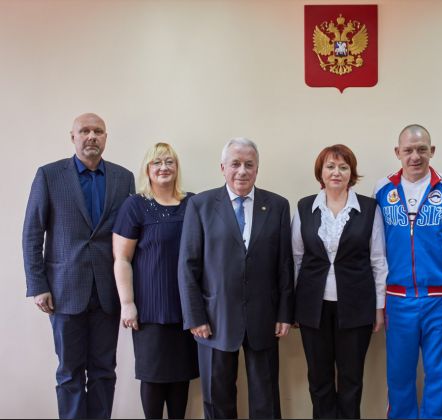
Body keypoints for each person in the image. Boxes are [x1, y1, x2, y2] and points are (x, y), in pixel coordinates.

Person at [22, 113, 135, 419]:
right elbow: (32, 233)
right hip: (64, 291)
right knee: (69, 372)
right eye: (84, 131)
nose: (91, 136)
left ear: (106, 137)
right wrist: (38, 285)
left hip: (108, 292)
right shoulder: (49, 175)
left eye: (98, 131)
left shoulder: (123, 178)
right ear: (72, 137)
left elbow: (130, 235)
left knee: (104, 370)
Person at [177, 137, 294, 419]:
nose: (242, 171)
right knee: (218, 398)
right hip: (214, 319)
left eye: (249, 165)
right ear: (223, 168)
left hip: (264, 317)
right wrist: (195, 316)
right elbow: (188, 265)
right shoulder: (200, 205)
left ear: (257, 169)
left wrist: (284, 313)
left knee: (266, 399)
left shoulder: (277, 205)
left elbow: (284, 264)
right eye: (235, 164)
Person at [374, 124, 442, 419]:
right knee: (399, 379)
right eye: (408, 150)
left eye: (422, 149)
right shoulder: (382, 191)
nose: (415, 156)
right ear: (397, 152)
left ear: (432, 151)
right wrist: (378, 302)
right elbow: (376, 252)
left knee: (439, 378)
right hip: (398, 300)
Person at [292, 144, 387, 419]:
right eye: (330, 167)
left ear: (351, 173)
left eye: (343, 167)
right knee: (318, 379)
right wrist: (295, 307)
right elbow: (296, 258)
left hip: (356, 307)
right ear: (321, 172)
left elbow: (378, 261)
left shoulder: (369, 208)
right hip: (313, 308)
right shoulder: (304, 206)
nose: (337, 172)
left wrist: (379, 308)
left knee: (351, 380)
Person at [112, 143, 199, 419]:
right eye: (157, 162)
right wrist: (127, 303)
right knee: (153, 378)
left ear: (177, 167)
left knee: (181, 379)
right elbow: (122, 259)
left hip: (187, 310)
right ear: (147, 169)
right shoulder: (135, 205)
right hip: (150, 311)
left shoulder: (192, 203)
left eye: (169, 162)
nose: (164, 167)